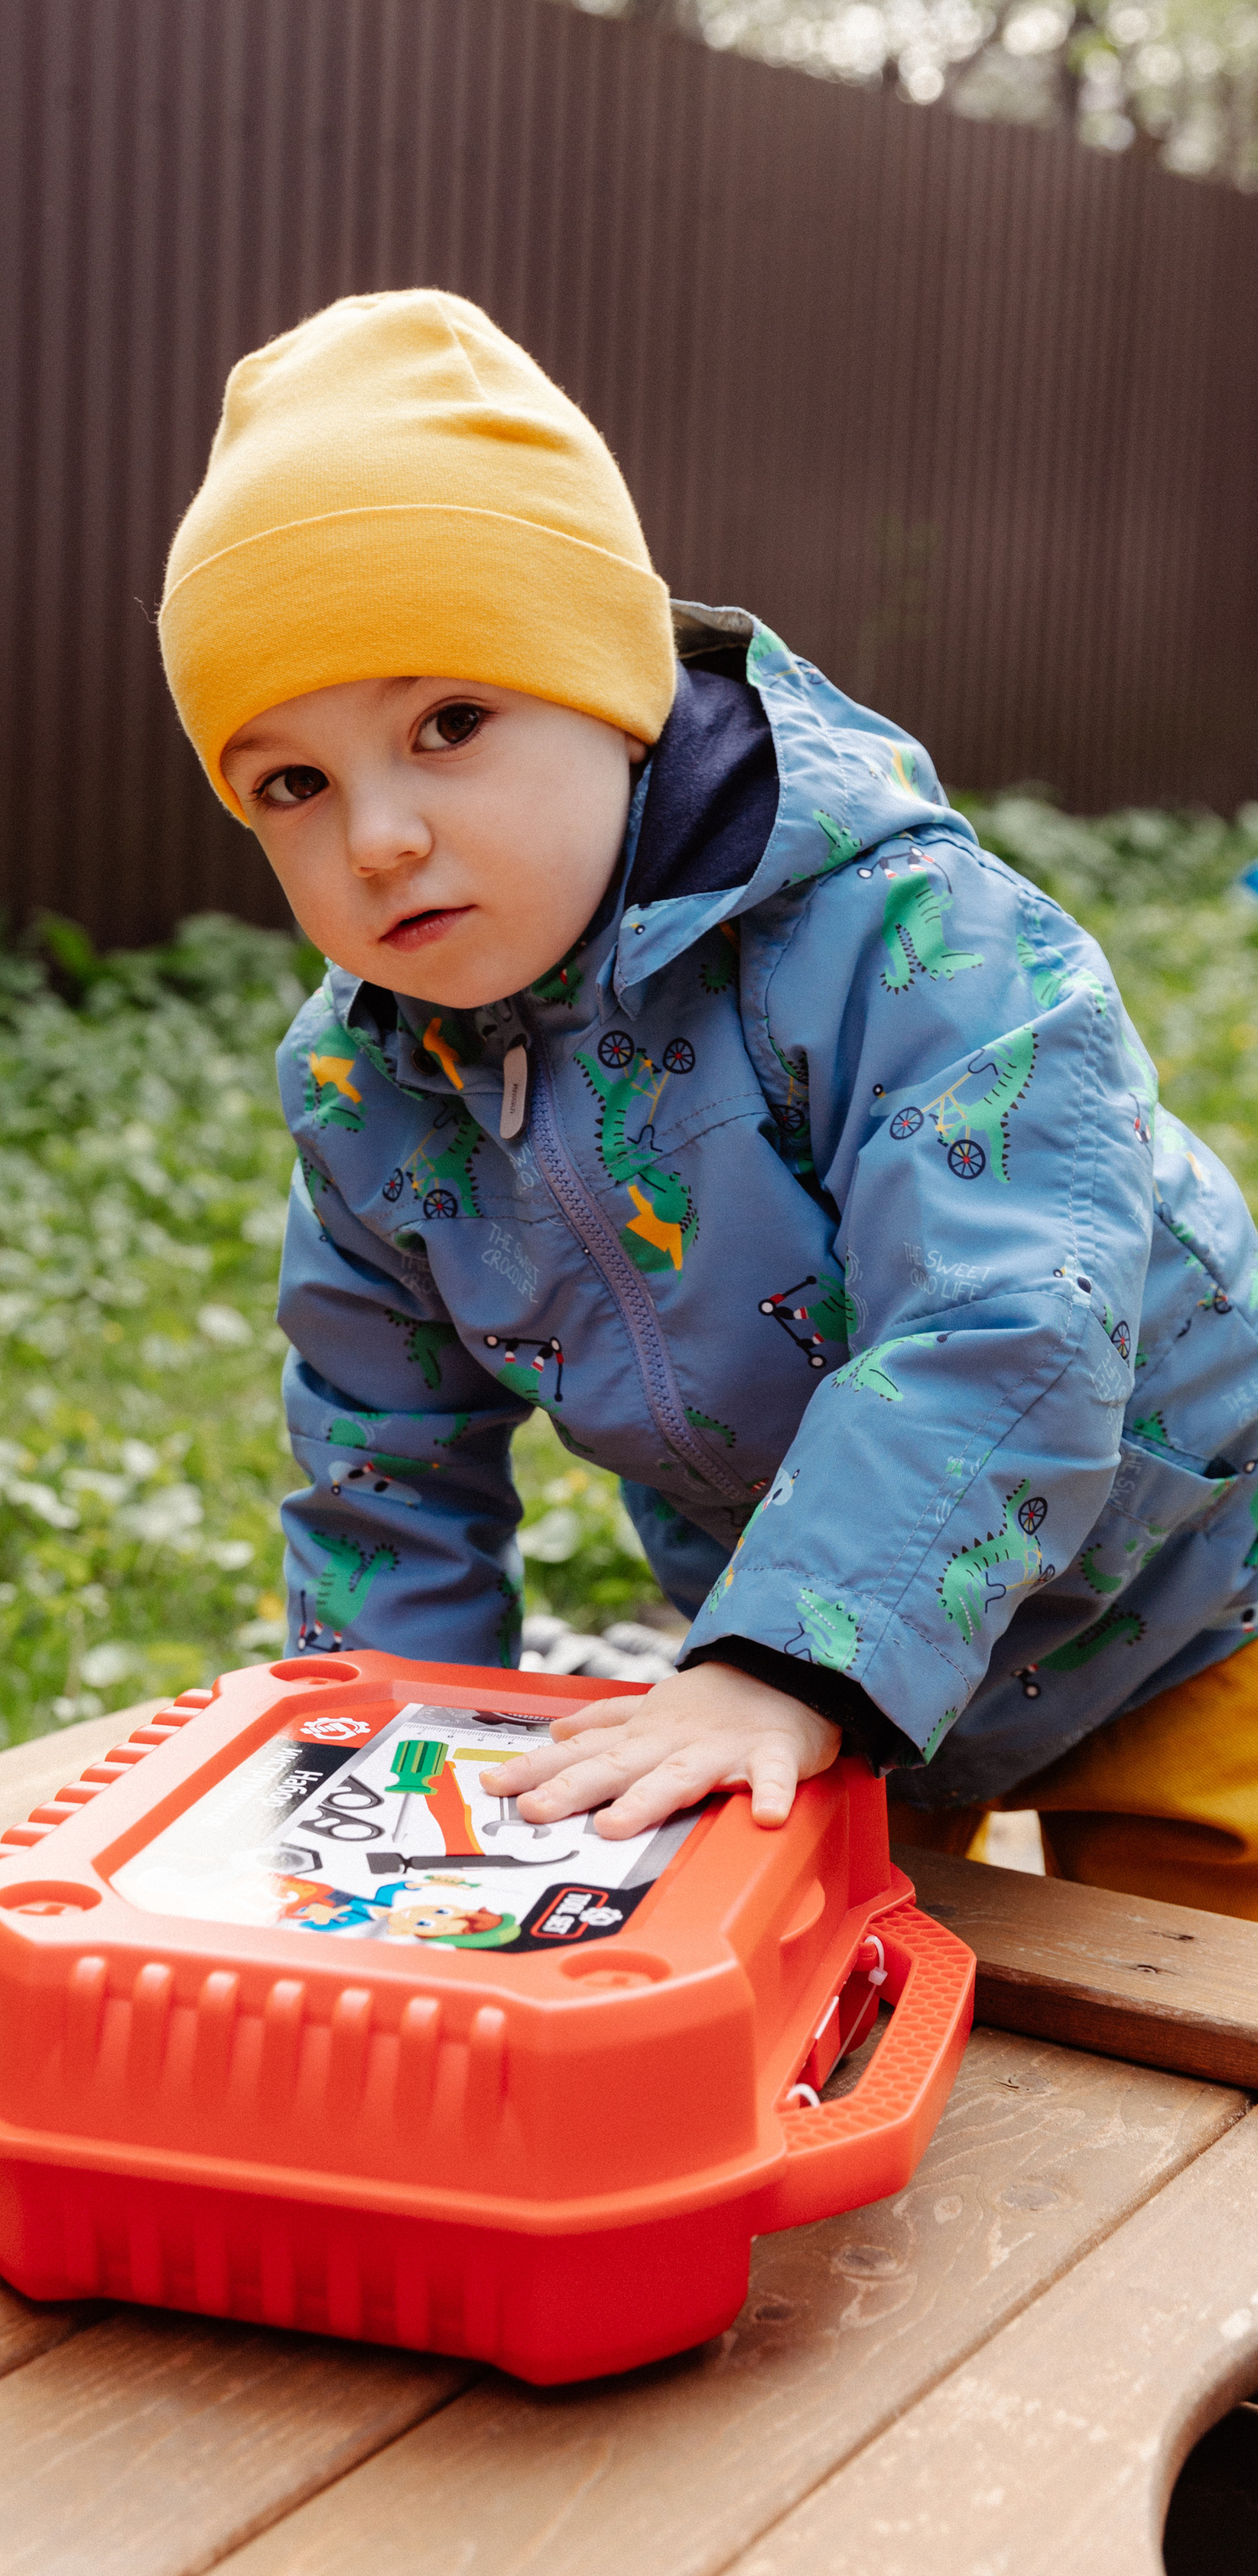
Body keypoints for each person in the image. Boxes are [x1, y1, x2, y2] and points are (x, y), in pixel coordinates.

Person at [153, 287, 1258, 1919]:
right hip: (805, 1612)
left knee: (1188, 2001)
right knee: (828, 1977)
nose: (373, 835)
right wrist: (386, 1773)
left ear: (613, 695)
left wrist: (775, 1668)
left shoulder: (907, 946)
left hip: (1174, 1583)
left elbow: (1007, 1319)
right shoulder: (368, 1094)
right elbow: (387, 1460)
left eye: (444, 724)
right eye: (290, 785)